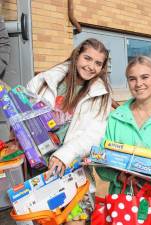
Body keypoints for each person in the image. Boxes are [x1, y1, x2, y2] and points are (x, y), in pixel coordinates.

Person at [26, 38, 113, 225]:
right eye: (87, 58)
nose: (91, 66)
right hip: (39, 170)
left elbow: (94, 134)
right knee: (43, 220)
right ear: (76, 55)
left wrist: (65, 155)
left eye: (98, 63)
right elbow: (22, 115)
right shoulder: (43, 81)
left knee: (76, 221)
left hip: (73, 170)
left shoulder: (101, 95)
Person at [95, 55, 151, 198]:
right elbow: (100, 161)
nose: (138, 83)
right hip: (122, 202)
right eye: (132, 79)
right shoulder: (114, 118)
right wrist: (119, 177)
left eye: (145, 77)